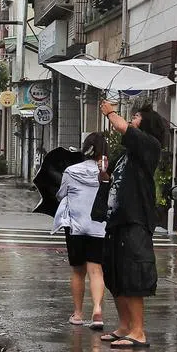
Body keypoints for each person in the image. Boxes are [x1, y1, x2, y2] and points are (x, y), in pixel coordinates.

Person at [98, 100, 166, 349]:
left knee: (134, 274)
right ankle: (125, 326)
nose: (132, 119)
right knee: (116, 273)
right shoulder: (128, 153)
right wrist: (105, 175)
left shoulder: (150, 146)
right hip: (117, 218)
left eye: (136, 116)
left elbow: (123, 127)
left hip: (135, 219)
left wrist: (110, 112)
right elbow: (113, 178)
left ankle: (138, 331)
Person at [52, 132, 108, 329]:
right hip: (99, 227)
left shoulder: (71, 171)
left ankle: (77, 314)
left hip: (76, 227)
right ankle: (97, 311)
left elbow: (61, 195)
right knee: (96, 270)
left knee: (78, 271)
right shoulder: (107, 173)